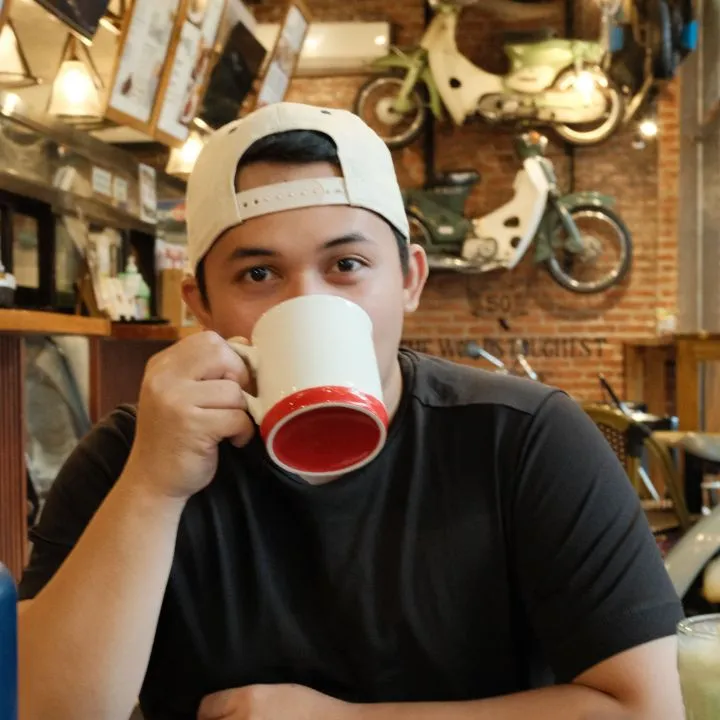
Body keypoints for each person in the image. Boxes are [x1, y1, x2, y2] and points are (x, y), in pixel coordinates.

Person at [17, 102, 685, 720]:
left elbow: (645, 710)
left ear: (410, 279)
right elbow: (46, 710)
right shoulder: (133, 456)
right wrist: (153, 488)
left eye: (347, 264)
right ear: (202, 306)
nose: (307, 303)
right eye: (258, 274)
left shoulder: (525, 440)